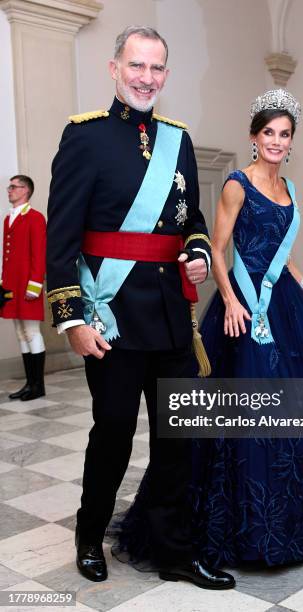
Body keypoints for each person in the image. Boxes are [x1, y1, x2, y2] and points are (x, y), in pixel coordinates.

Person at [116, 89, 303, 568]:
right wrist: (229, 300)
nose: (276, 141)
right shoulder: (237, 183)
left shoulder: (288, 188)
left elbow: (281, 253)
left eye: (284, 134)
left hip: (286, 305)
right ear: (254, 137)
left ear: (292, 141)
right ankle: (244, 527)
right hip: (244, 309)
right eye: (268, 133)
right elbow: (221, 247)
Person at [46, 25, 234, 589]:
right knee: (112, 434)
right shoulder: (84, 137)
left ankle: (174, 551)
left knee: (178, 439)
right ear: (114, 69)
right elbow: (62, 238)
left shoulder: (178, 138)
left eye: (156, 69)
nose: (147, 78)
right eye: (137, 66)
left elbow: (192, 223)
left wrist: (198, 252)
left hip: (173, 318)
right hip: (112, 316)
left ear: (166, 76)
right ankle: (88, 535)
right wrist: (72, 319)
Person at [1, 175, 46, 401]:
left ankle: (38, 385)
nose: (9, 190)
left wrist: (36, 284)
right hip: (11, 285)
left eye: (13, 187)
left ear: (25, 190)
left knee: (31, 332)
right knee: (20, 333)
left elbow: (39, 253)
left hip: (28, 285)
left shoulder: (35, 218)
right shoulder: (8, 219)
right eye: (9, 186)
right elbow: (6, 257)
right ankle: (29, 384)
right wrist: (3, 284)